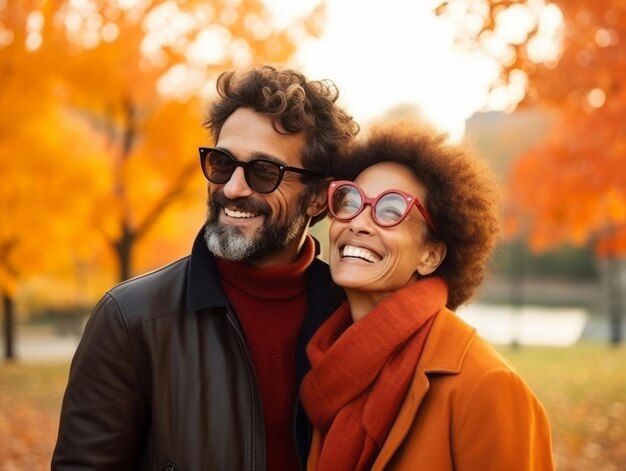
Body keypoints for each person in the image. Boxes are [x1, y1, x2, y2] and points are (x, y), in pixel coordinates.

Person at [52, 65, 359, 470]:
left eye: (264, 172)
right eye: (221, 163)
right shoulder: (130, 319)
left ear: (319, 198)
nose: (232, 188)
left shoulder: (355, 316)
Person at [300, 121, 555, 471]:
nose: (359, 222)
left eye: (390, 210)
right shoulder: (326, 365)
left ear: (431, 255)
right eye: (351, 201)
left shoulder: (488, 386)